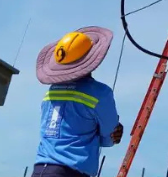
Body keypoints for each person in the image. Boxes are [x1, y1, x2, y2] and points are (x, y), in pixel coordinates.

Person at [29, 27, 123, 177]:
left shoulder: (50, 92)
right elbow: (109, 139)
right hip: (71, 173)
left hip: (40, 170)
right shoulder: (100, 93)